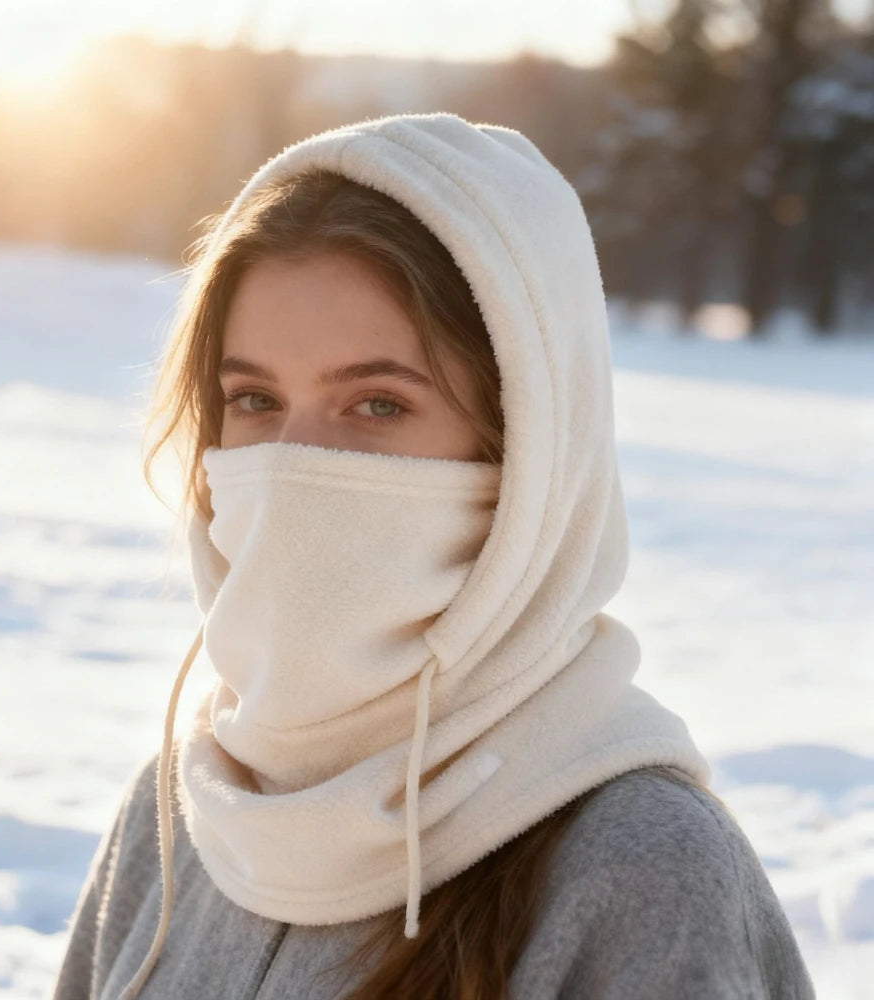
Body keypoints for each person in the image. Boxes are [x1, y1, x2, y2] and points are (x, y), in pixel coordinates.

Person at [51, 113, 814, 1000]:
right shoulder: (183, 812)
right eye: (253, 398)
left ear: (525, 449)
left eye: (377, 405)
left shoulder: (638, 865)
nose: (294, 468)